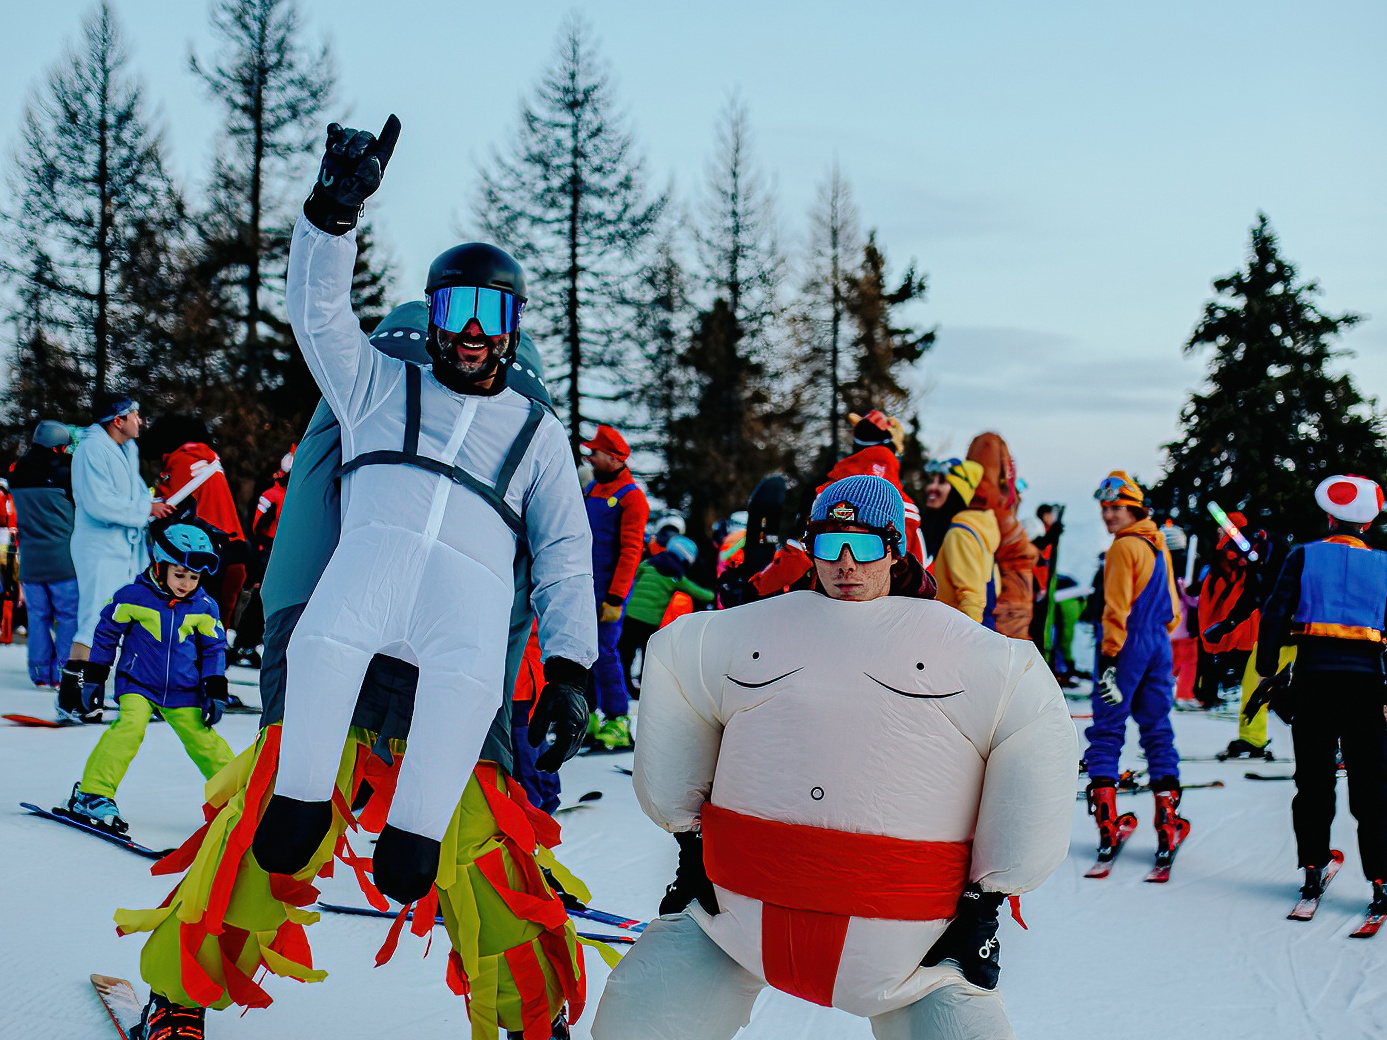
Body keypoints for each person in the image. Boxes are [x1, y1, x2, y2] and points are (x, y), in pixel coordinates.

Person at [117, 115, 598, 1040]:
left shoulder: (533, 434)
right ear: (432, 313)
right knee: (274, 822)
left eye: (489, 320)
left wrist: (571, 669)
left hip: (453, 672)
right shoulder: (376, 384)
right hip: (348, 629)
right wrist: (333, 214)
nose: (468, 337)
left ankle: (531, 1024)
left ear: (513, 332)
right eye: (454, 312)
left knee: (483, 854)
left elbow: (565, 553)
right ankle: (178, 996)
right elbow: (319, 316)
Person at [592, 474, 1076, 1040]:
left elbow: (1035, 720)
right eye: (829, 544)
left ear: (894, 550)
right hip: (732, 921)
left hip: (914, 949)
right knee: (639, 1021)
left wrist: (986, 902)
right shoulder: (756, 629)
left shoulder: (967, 651)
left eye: (866, 545)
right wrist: (689, 841)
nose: (846, 564)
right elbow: (674, 660)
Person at [1251, 474, 1387, 918]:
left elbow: (1274, 611)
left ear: (1329, 516)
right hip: (1367, 686)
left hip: (1312, 682)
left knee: (1313, 782)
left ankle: (1314, 867)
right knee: (1372, 787)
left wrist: (1267, 669)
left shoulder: (1303, 556)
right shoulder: (1385, 565)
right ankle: (1381, 880)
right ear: (1368, 522)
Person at [60, 522, 233, 833]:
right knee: (130, 726)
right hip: (138, 683)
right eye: (179, 574)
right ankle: (93, 793)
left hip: (183, 689)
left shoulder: (204, 606)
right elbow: (105, 635)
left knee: (204, 741)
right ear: (160, 565)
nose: (186, 584)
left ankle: (240, 799)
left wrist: (215, 687)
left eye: (194, 577)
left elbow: (214, 649)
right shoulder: (133, 597)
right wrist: (96, 677)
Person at [1084, 472, 1188, 862]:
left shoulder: (1122, 548)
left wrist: (1111, 658)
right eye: (1105, 508)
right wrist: (1157, 637)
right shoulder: (1157, 543)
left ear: (1133, 508)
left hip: (1126, 644)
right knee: (1157, 726)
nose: (1108, 515)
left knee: (1108, 728)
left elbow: (1115, 607)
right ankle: (1167, 820)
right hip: (1158, 642)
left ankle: (1107, 823)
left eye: (1115, 508)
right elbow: (1175, 608)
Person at [68, 390, 173, 677]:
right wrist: (146, 509)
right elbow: (98, 502)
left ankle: (135, 690)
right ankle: (75, 693)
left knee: (133, 617)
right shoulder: (91, 450)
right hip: (100, 549)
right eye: (134, 415)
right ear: (117, 420)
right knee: (96, 619)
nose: (139, 420)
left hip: (127, 550)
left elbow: (136, 494)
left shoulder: (127, 451)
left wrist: (152, 506)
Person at [582, 423, 650, 750]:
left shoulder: (632, 498)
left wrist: (615, 597)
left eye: (594, 453)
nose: (589, 459)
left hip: (607, 592)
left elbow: (631, 551)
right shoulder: (592, 490)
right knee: (581, 653)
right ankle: (589, 715)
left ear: (612, 457)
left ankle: (618, 718)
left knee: (605, 654)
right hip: (581, 585)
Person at [152, 415, 250, 630]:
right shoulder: (210, 461)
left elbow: (168, 504)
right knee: (214, 625)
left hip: (201, 547)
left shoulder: (182, 459)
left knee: (191, 622)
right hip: (232, 546)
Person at [8, 421, 79, 687]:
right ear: (59, 446)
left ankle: (39, 673)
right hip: (63, 558)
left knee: (37, 616)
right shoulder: (66, 470)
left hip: (31, 561)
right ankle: (63, 673)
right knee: (68, 616)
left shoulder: (18, 470)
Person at [618, 535, 713, 692]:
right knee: (648, 657)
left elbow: (633, 577)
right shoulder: (675, 576)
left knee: (625, 653)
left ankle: (623, 684)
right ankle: (644, 687)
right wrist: (715, 594)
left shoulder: (647, 564)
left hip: (630, 617)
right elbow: (698, 593)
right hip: (650, 622)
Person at [933, 454, 1000, 627]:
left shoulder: (960, 534)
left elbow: (972, 596)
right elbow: (994, 586)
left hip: (962, 627)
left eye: (946, 484)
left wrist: (969, 643)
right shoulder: (980, 529)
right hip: (981, 623)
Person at [919, 457, 980, 561]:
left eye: (942, 481)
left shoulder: (961, 535)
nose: (931, 487)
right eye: (930, 480)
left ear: (955, 493)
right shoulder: (923, 524)